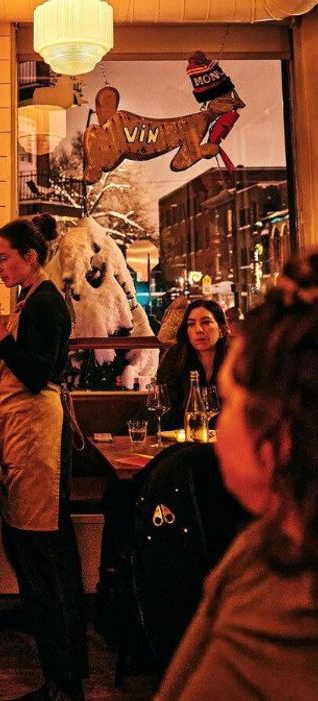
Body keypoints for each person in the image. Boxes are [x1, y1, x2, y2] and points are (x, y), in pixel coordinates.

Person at [156, 251, 318, 700]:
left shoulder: (281, 618)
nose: (218, 421)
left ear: (281, 439)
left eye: (230, 403)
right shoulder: (267, 545)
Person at [0, 213, 87, 701]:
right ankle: (60, 674)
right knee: (30, 551)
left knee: (45, 557)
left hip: (41, 436)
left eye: (3, 258)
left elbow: (37, 374)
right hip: (26, 434)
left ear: (30, 257)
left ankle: (65, 681)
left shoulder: (48, 302)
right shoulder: (31, 299)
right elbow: (24, 362)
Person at [155, 299, 228, 430]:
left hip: (226, 439)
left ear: (222, 330)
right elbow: (166, 407)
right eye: (191, 324)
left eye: (206, 322)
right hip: (181, 436)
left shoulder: (235, 359)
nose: (198, 330)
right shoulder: (176, 357)